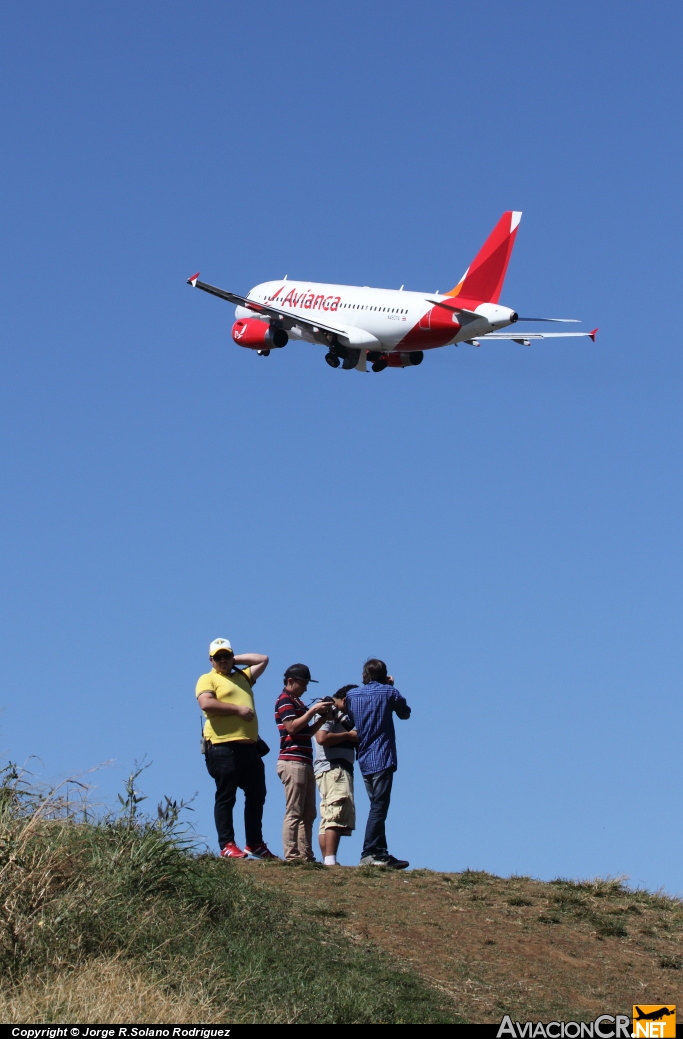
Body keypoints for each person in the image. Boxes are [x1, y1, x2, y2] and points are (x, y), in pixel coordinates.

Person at [196, 638, 276, 859]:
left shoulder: (242, 676)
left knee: (257, 794)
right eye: (218, 657)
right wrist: (237, 710)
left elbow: (263, 659)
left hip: (248, 747)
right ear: (210, 660)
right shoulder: (207, 679)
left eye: (226, 656)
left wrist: (233, 661)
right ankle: (227, 844)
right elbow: (206, 703)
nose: (223, 660)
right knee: (226, 795)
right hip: (222, 746)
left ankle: (255, 843)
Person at [345, 658, 411, 869]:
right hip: (382, 756)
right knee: (379, 807)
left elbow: (349, 720)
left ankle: (380, 852)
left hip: (364, 757)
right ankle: (369, 853)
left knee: (376, 805)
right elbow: (405, 713)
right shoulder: (389, 693)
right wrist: (390, 687)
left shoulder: (352, 695)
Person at [274, 663, 332, 861]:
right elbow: (291, 727)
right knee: (295, 810)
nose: (306, 688)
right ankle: (292, 854)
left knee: (308, 813)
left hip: (304, 760)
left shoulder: (296, 702)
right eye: (303, 683)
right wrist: (312, 711)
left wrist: (320, 719)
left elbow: (304, 732)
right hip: (292, 761)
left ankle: (305, 855)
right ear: (291, 681)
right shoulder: (284, 700)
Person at [313, 684, 358, 866]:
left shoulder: (333, 712)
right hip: (333, 769)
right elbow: (322, 738)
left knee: (329, 813)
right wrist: (349, 736)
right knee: (335, 811)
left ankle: (328, 859)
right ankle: (330, 859)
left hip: (334, 769)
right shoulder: (328, 709)